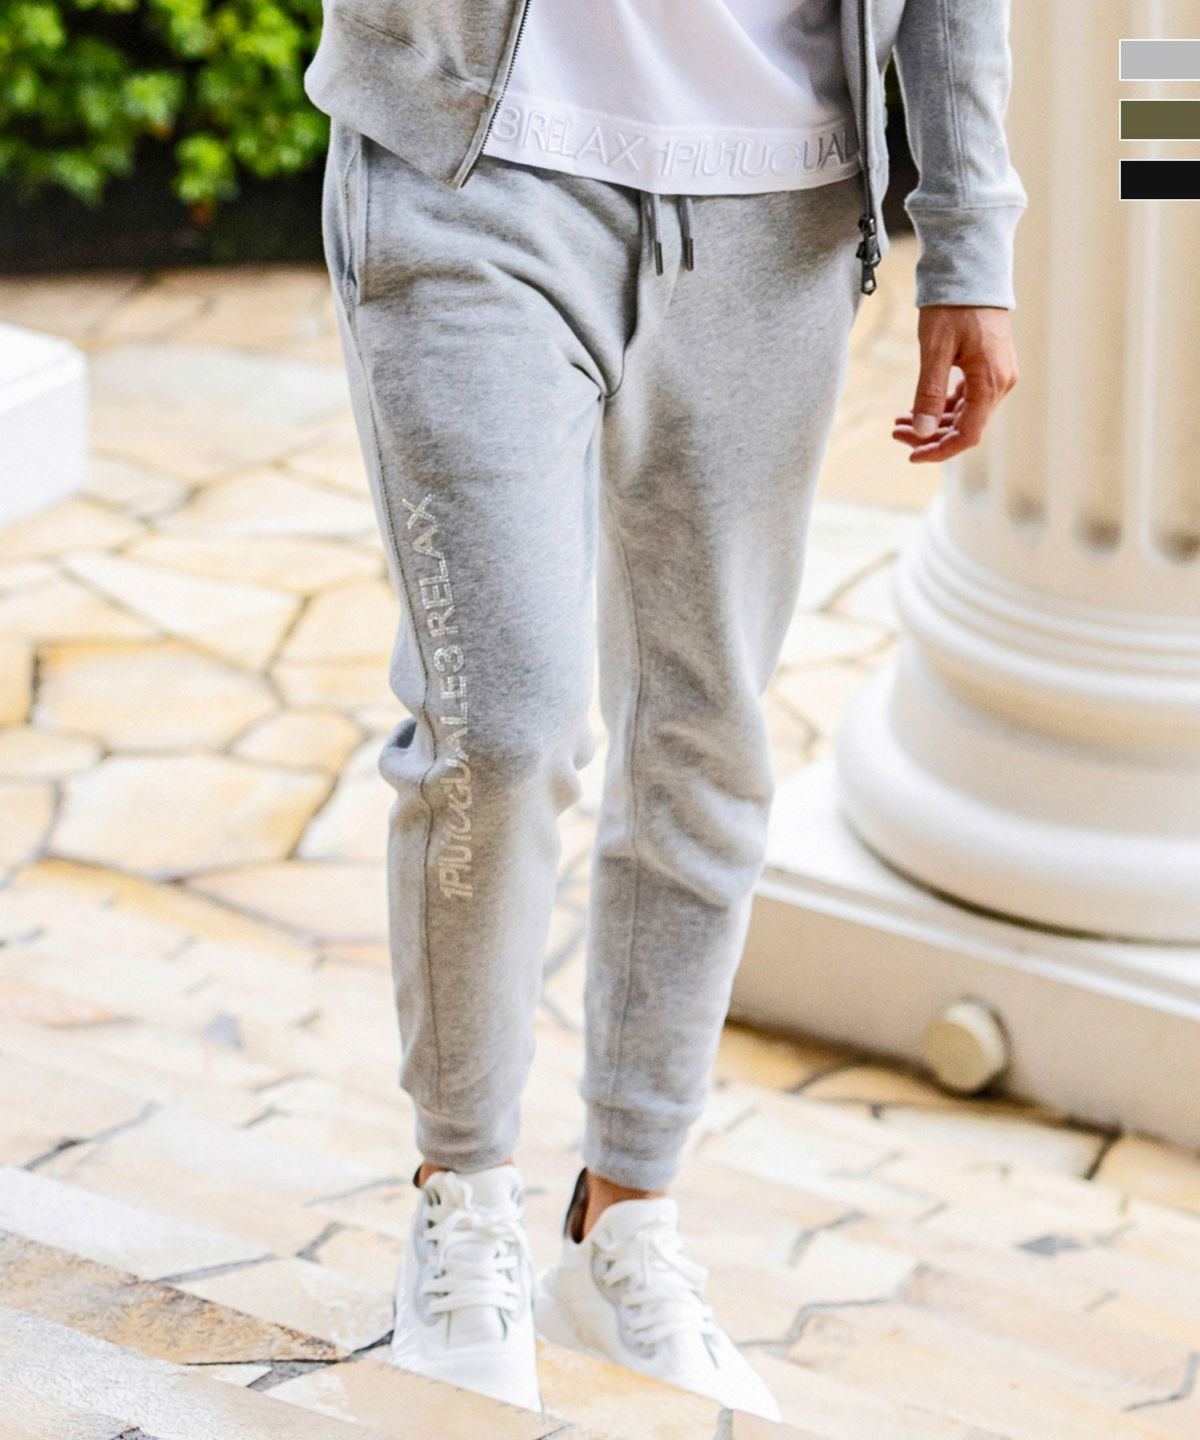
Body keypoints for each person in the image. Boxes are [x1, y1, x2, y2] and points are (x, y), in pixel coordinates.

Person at [304, 0, 1025, 1420]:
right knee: (501, 731)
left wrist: (971, 237)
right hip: (475, 161)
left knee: (706, 732)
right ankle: (462, 1193)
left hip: (780, 208)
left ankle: (623, 1219)